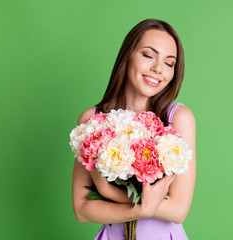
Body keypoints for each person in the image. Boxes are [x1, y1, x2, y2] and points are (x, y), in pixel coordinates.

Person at [72, 18, 196, 240]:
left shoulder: (179, 118)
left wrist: (108, 191)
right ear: (127, 55)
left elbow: (178, 210)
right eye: (148, 55)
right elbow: (82, 209)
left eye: (169, 63)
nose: (158, 69)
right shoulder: (91, 120)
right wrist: (141, 208)